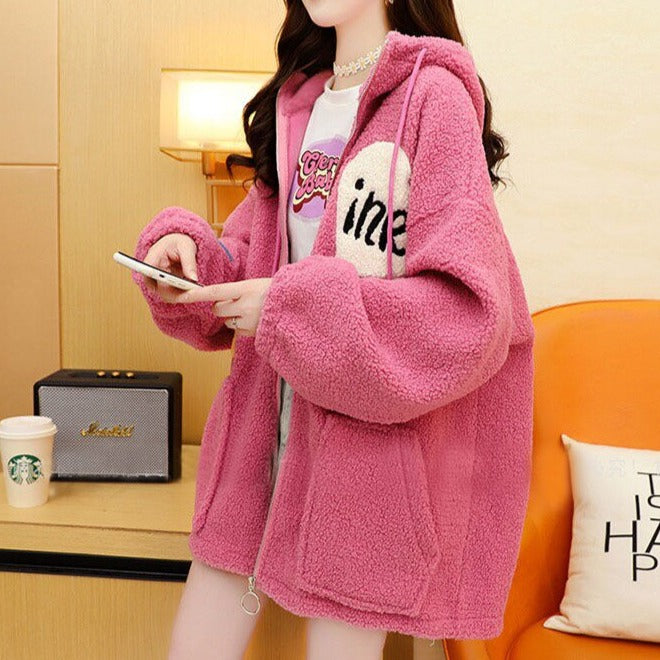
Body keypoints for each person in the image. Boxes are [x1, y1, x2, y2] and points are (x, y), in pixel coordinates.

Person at [133, 1, 536, 658]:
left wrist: (292, 310)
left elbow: (466, 313)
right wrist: (191, 258)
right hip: (255, 455)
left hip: (364, 476)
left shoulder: (432, 98)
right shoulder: (301, 104)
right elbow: (256, 257)